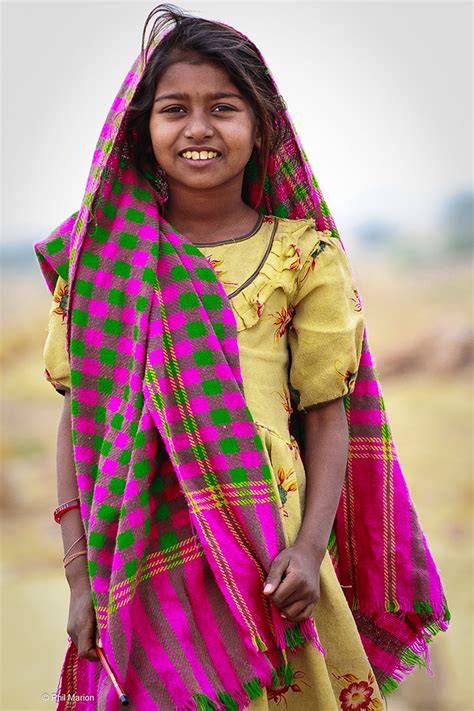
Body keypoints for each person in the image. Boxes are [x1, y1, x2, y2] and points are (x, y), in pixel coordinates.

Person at [35, 5, 450, 710]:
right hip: (139, 562)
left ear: (261, 129)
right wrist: (80, 579)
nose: (198, 128)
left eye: (223, 108)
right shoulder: (104, 261)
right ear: (142, 131)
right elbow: (80, 422)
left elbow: (326, 415)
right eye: (175, 109)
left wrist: (309, 549)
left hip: (269, 555)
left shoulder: (304, 254)